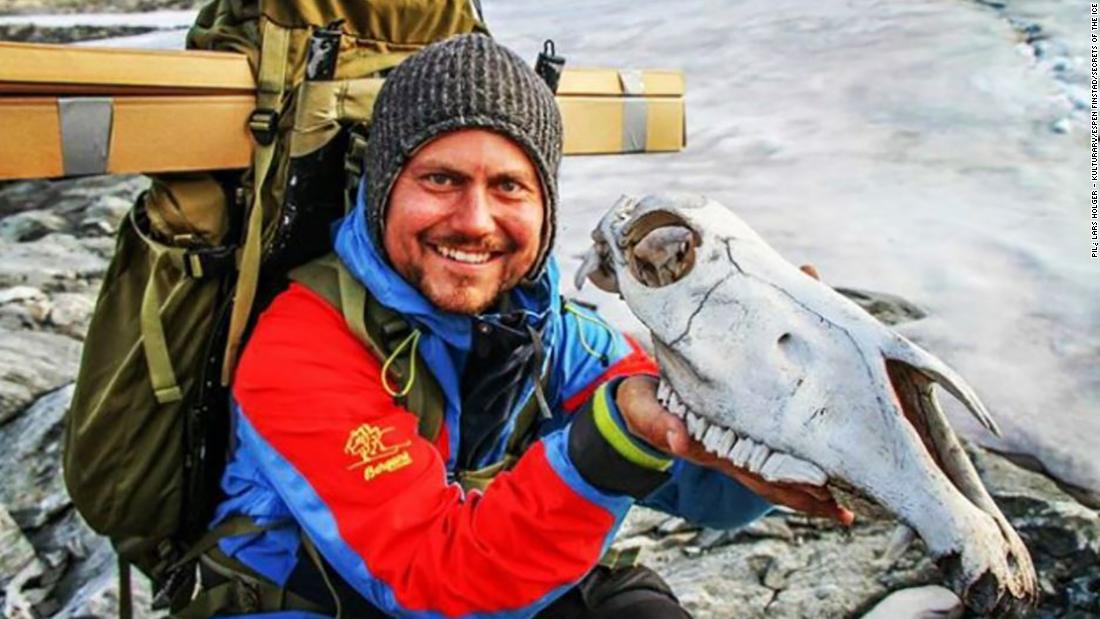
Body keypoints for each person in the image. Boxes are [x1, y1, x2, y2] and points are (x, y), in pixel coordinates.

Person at [208, 33, 840, 618]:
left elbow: (708, 492)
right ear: (383, 190)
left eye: (509, 186)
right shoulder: (302, 347)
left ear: (546, 210)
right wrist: (612, 436)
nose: (475, 220)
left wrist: (772, 403)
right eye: (440, 179)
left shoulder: (548, 329)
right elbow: (433, 578)